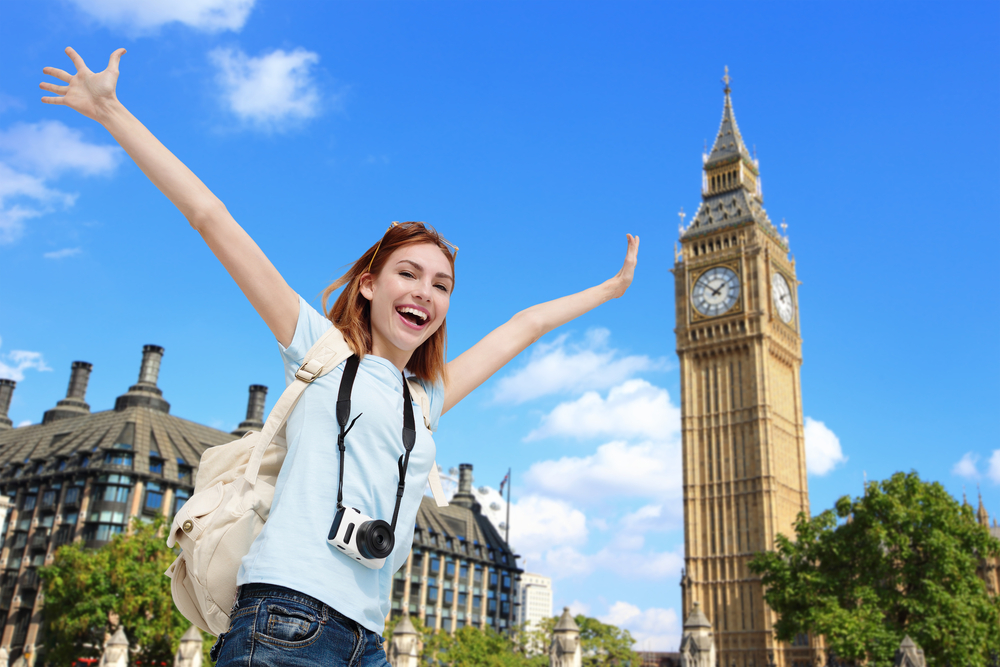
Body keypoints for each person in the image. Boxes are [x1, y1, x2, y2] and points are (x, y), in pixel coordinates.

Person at [40, 48, 640, 666]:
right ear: (369, 285)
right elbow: (210, 217)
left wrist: (611, 288)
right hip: (283, 621)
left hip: (369, 640)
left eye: (442, 285)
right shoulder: (319, 350)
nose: (426, 292)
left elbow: (524, 327)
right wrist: (110, 111)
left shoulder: (423, 399)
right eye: (408, 273)